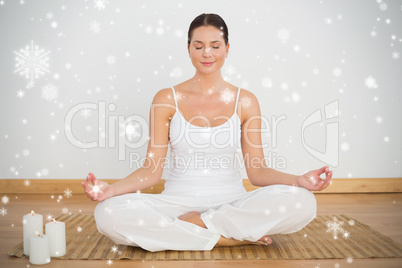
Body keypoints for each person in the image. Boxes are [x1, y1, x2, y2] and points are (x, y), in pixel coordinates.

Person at [82, 13, 333, 252]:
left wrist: (298, 180)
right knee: (106, 213)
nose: (207, 53)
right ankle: (226, 239)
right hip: (176, 203)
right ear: (188, 48)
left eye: (215, 45)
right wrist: (111, 191)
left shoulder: (245, 101)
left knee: (304, 202)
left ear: (227, 48)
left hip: (232, 204)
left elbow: (257, 172)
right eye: (199, 45)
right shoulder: (166, 98)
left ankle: (197, 226)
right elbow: (151, 170)